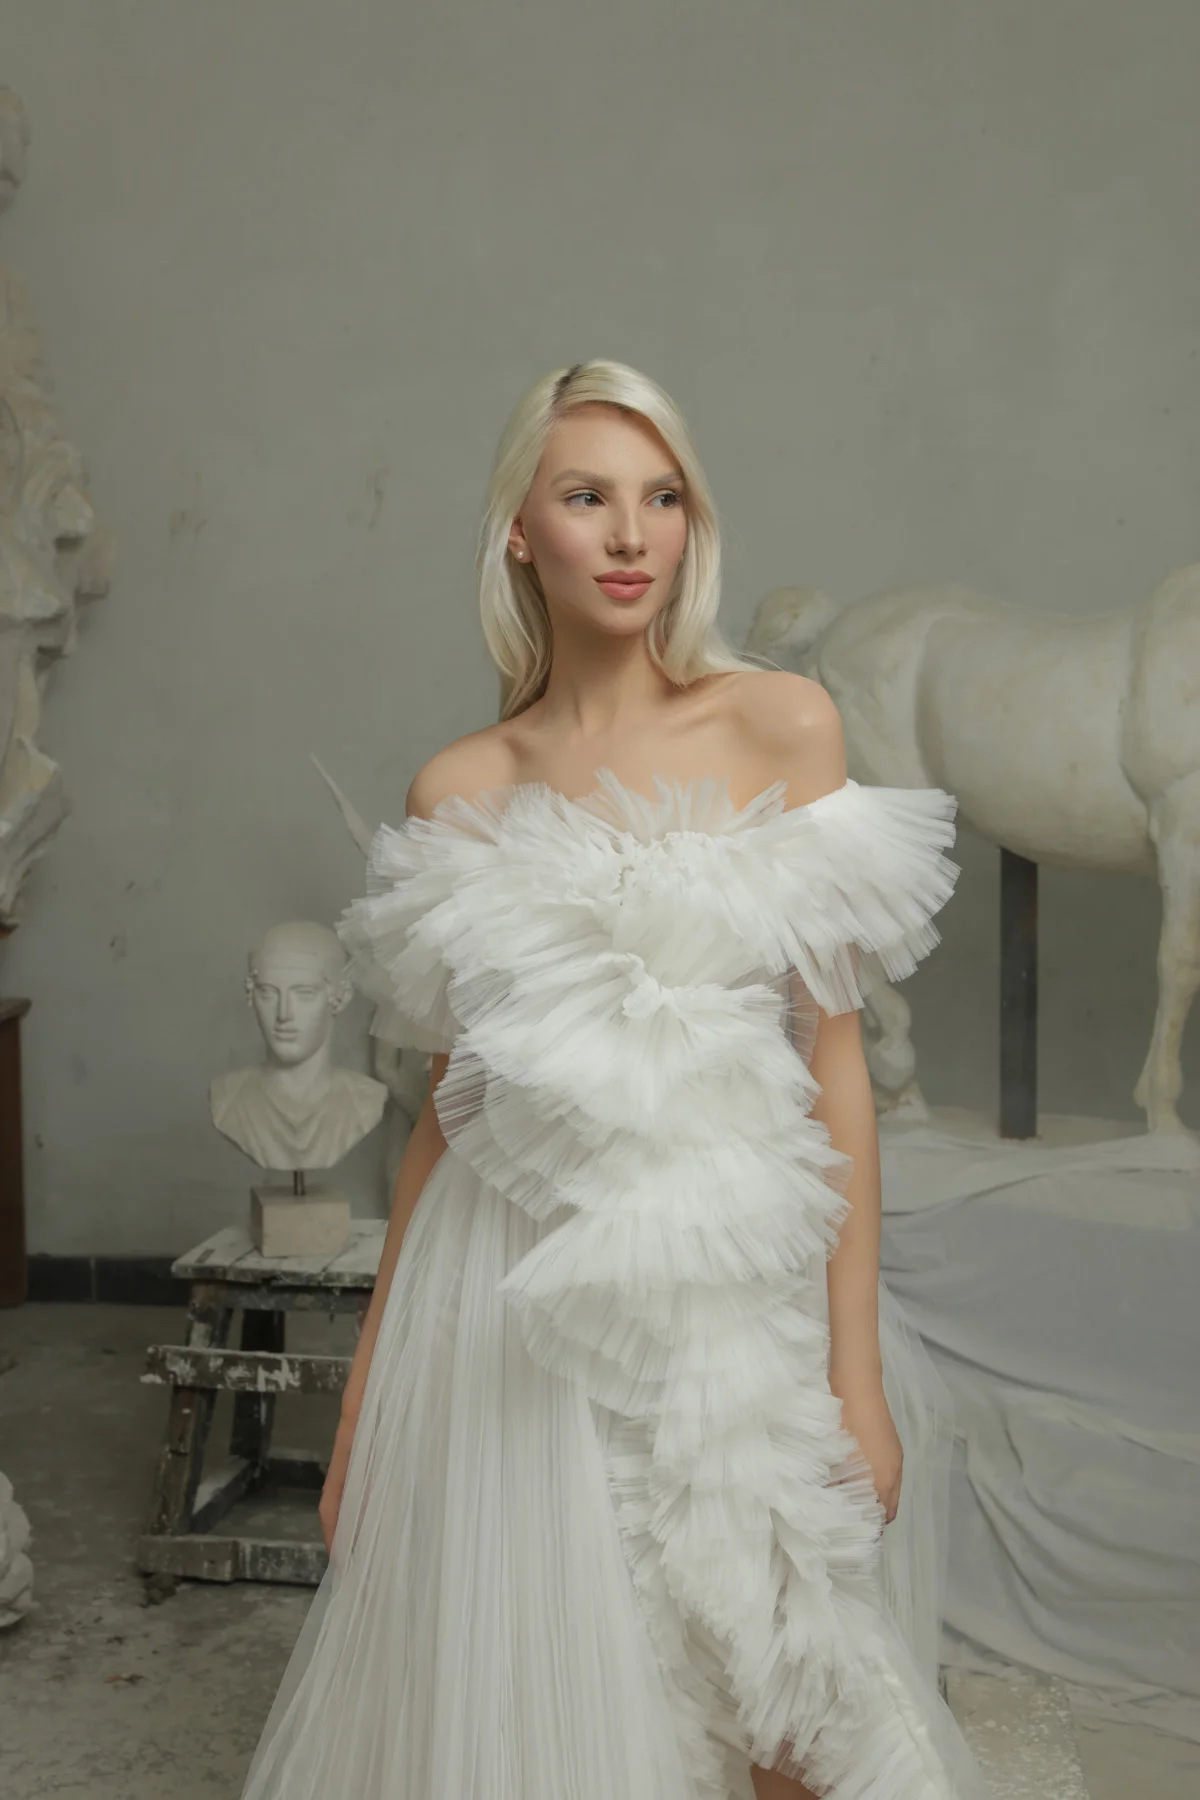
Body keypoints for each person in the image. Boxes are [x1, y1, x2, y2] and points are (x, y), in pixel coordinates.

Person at [238, 359, 988, 1799]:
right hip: (508, 1309)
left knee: (793, 1707)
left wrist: (851, 1374)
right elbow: (447, 1113)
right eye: (589, 497)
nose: (634, 535)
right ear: (521, 533)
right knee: (561, 1715)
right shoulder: (461, 789)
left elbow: (836, 1063)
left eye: (664, 498)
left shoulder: (780, 726)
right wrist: (368, 1398)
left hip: (725, 1297)